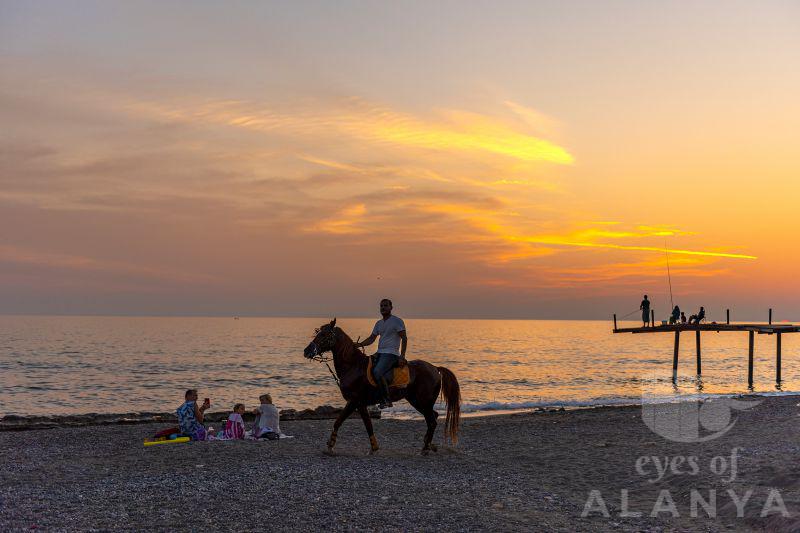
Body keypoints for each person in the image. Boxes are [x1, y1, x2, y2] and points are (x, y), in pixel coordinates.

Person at [353, 298, 407, 409]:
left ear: (391, 307)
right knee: (364, 366)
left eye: (385, 305)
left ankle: (387, 400)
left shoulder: (397, 321)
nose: (383, 308)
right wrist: (359, 344)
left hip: (391, 354)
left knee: (377, 371)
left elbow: (404, 338)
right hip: (380, 352)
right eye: (381, 306)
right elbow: (372, 339)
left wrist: (402, 356)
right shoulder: (379, 323)